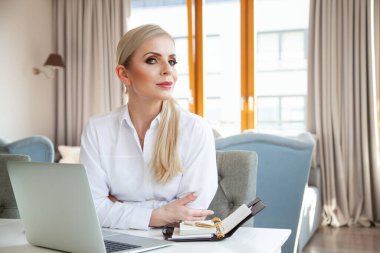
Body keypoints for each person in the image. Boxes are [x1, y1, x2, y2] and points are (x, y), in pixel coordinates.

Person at [80, 24, 218, 230]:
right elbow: (91, 208)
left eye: (172, 61)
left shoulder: (196, 128)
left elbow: (192, 210)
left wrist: (119, 207)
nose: (168, 70)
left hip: (176, 243)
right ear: (124, 74)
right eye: (152, 60)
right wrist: (159, 214)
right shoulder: (97, 129)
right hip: (114, 241)